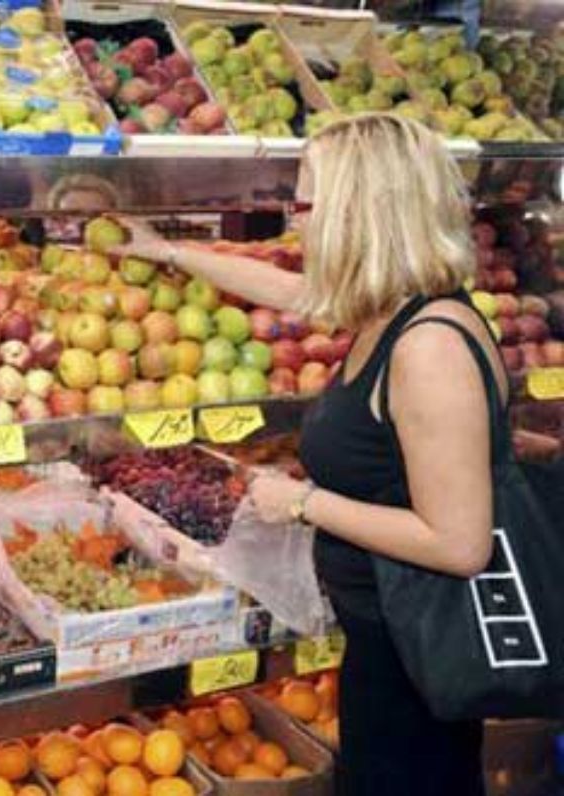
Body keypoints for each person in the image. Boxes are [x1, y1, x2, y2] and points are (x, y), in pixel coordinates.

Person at [110, 113, 496, 796]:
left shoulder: (429, 345)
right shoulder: (393, 310)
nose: (297, 218)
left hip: (418, 667)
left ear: (360, 211)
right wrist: (169, 252)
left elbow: (460, 542)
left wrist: (304, 502)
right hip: (385, 646)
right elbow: (294, 293)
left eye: (309, 201)